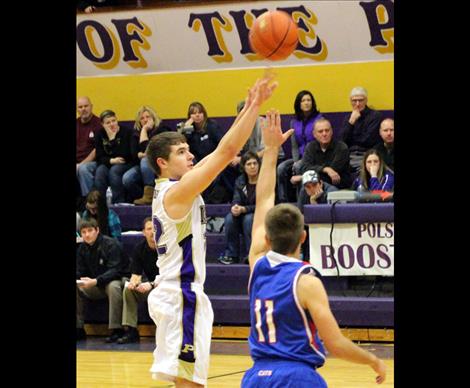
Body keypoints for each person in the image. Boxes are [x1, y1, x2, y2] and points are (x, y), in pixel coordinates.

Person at [145, 74, 277, 387]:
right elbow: (226, 151)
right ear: (162, 162)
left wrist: (248, 109)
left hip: (182, 294)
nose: (190, 155)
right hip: (180, 295)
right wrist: (254, 106)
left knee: (189, 382)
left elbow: (221, 151)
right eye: (181, 152)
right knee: (189, 384)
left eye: (188, 149)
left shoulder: (177, 189)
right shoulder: (174, 193)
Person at [241, 109, 386, 387]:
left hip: (256, 377)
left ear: (267, 239)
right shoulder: (306, 281)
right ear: (303, 238)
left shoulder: (256, 264)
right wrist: (372, 359)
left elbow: (263, 200)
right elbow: (334, 343)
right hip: (297, 376)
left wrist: (270, 151)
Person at [76, 218, 130, 343]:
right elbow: (80, 271)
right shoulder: (82, 249)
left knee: (113, 286)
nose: (87, 235)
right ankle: (79, 328)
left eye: (90, 231)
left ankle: (117, 329)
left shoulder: (111, 244)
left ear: (97, 230)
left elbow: (115, 271)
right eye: (83, 232)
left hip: (115, 281)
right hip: (95, 285)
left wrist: (95, 281)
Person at [179, 101, 235, 203]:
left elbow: (222, 142)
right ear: (189, 116)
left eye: (200, 112)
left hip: (214, 159)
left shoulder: (212, 126)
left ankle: (210, 201)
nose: (197, 115)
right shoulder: (188, 130)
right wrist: (187, 127)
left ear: (204, 114)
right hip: (196, 163)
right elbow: (181, 145)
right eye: (193, 113)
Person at [277, 90, 324, 203]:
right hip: (298, 156)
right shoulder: (294, 122)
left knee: (298, 167)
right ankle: (283, 201)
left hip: (313, 157)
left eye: (309, 100)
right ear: (299, 104)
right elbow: (294, 146)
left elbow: (320, 142)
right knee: (281, 168)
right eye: (303, 100)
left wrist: (299, 163)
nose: (306, 103)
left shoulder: (319, 119)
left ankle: (300, 201)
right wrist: (295, 161)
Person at [118, 217, 159, 344]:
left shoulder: (167, 248)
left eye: (155, 228)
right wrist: (134, 283)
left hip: (167, 285)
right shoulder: (139, 249)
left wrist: (152, 285)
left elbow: (171, 276)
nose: (152, 232)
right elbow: (136, 275)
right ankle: (131, 330)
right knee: (128, 290)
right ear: (143, 232)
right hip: (150, 286)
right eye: (149, 229)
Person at [122, 105, 172, 205]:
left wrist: (144, 131)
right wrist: (143, 131)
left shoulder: (162, 129)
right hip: (142, 167)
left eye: (148, 117)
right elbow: (134, 155)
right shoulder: (135, 134)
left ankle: (149, 196)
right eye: (142, 118)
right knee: (127, 178)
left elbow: (153, 151)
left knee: (146, 160)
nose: (145, 120)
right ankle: (146, 197)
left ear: (153, 118)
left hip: (160, 165)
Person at [218, 151, 261, 265]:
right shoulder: (240, 181)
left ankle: (250, 254)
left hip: (261, 216)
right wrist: (235, 207)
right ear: (244, 167)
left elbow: (263, 205)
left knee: (248, 219)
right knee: (230, 218)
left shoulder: (264, 180)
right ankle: (231, 255)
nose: (252, 166)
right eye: (249, 164)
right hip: (245, 213)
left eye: (255, 163)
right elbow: (236, 199)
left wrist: (244, 209)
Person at [94, 110, 138, 204]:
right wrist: (111, 160)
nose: (112, 124)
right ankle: (100, 203)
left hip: (127, 163)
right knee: (100, 171)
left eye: (113, 121)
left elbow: (126, 155)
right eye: (108, 123)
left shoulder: (127, 132)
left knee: (115, 170)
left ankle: (118, 202)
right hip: (109, 163)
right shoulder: (99, 134)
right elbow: (99, 157)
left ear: (117, 120)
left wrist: (113, 141)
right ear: (102, 124)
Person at [297, 118, 352, 189]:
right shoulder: (310, 147)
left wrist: (303, 177)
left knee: (309, 183)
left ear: (332, 132)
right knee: (306, 187)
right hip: (315, 183)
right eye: (320, 131)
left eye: (327, 130)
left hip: (337, 186)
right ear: (314, 134)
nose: (324, 134)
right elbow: (304, 168)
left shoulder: (342, 147)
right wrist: (325, 169)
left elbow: (333, 171)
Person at [340, 86, 382, 174]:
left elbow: (367, 140)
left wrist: (351, 138)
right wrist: (351, 123)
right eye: (354, 101)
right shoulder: (348, 118)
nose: (357, 104)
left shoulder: (375, 116)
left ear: (366, 100)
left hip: (367, 155)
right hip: (349, 155)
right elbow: (342, 141)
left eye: (361, 100)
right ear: (350, 101)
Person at [76, 96, 102, 205]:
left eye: (86, 106)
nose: (83, 109)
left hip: (93, 162)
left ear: (91, 107)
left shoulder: (98, 124)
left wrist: (80, 164)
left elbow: (97, 149)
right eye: (80, 107)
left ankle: (90, 202)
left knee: (82, 169)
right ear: (77, 109)